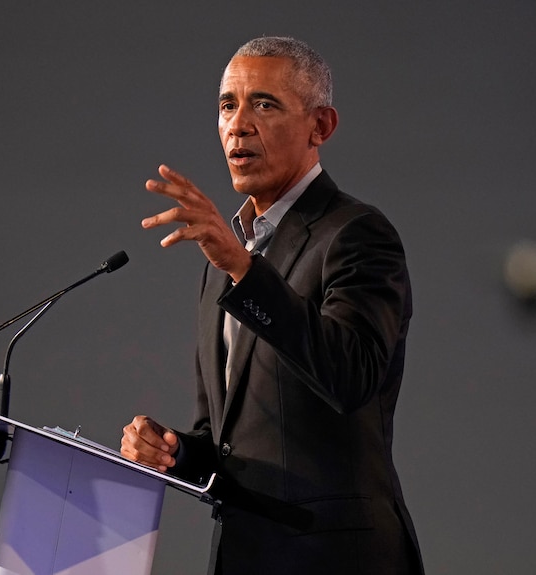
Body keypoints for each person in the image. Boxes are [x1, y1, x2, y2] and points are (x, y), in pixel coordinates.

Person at [121, 36, 423, 575]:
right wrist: (172, 451)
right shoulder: (227, 263)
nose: (238, 124)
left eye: (264, 104)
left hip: (337, 559)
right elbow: (225, 439)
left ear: (320, 126)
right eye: (227, 105)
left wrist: (242, 268)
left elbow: (351, 376)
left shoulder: (356, 235)